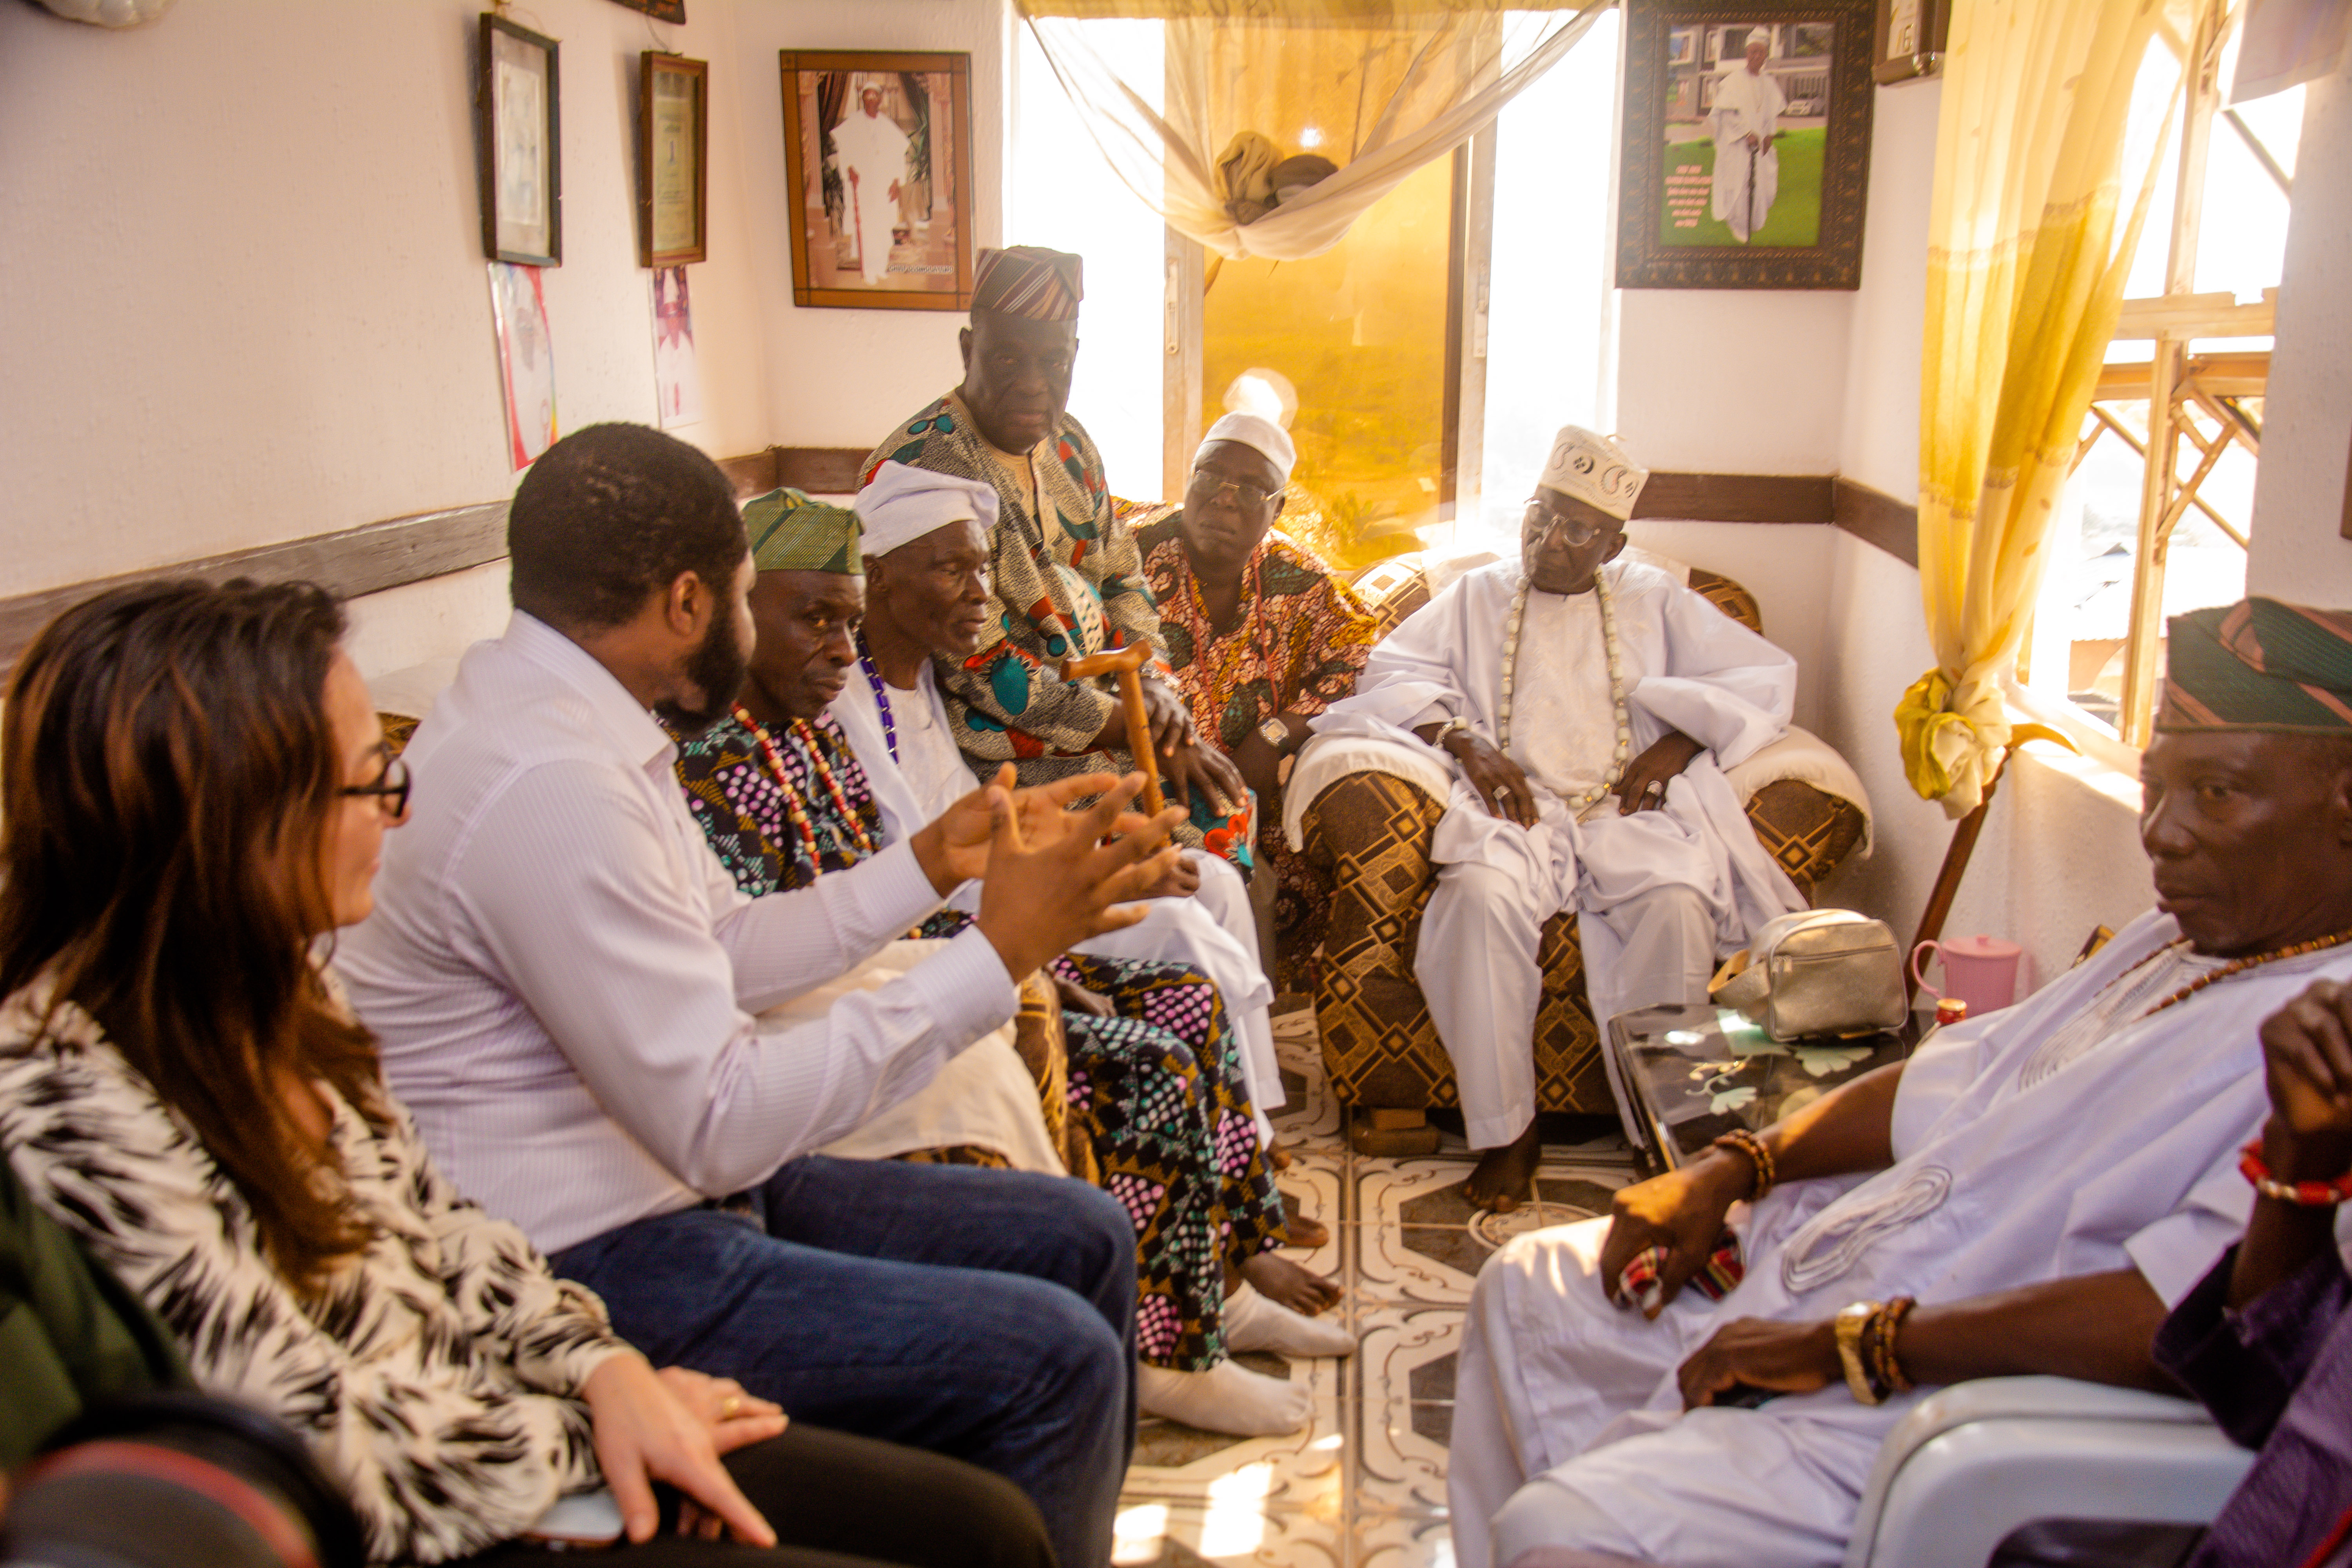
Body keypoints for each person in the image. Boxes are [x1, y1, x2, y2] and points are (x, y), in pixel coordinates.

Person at [0, 576, 1059, 1568]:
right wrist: (590, 1427)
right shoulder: (67, 1100)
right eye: (370, 778)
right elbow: (305, 1432)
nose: (397, 809)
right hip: (439, 1510)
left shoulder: (284, 995)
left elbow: (446, 1235)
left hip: (508, 1415)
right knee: (1021, 1399)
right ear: (230, 816)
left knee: (984, 1525)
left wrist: (606, 1370)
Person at [333, 422, 1183, 1568]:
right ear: (688, 602)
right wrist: (995, 954)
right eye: (743, 596)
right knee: (1057, 1358)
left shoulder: (565, 723)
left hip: (666, 1187)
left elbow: (721, 948)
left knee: (1079, 1236)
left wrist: (933, 858)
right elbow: (724, 1120)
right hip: (586, 1256)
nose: (743, 626)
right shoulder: (547, 783)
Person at [1445, 595, 2352, 1568]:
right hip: (1867, 1269)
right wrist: (1730, 1166)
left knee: (1571, 1532)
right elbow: (1945, 1078)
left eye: (2216, 793)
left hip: (1959, 1382)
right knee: (1528, 1286)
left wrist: (1852, 1345)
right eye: (2156, 787)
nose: (2162, 837)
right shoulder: (2179, 935)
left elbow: (2195, 1315)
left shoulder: (2328, 1029)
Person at [667, 483, 1352, 1436]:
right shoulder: (711, 760)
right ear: (734, 615)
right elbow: (789, 948)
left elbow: (886, 880)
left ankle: (1218, 1282)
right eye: (812, 620)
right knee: (1147, 1059)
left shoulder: (808, 730)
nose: (837, 647)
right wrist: (1007, 961)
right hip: (837, 1016)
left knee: (1185, 999)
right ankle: (1171, 1356)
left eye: (846, 624)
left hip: (910, 959)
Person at [1312, 425, 1804, 1210]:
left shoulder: (1654, 597)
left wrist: (1678, 742)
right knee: (1475, 900)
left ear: (1613, 544)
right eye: (1540, 515)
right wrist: (1464, 740)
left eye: (1577, 528)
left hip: (1625, 808)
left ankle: (1664, 1128)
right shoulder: (1478, 595)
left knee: (1678, 902)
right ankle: (1508, 1132)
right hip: (1514, 809)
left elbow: (1763, 679)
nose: (1549, 539)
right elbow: (1394, 677)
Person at [864, 245, 1255, 870]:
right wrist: (1132, 725)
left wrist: (1155, 687)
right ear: (969, 350)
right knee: (1181, 856)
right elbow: (977, 663)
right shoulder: (925, 465)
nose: (1032, 384)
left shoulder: (1072, 443)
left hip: (1116, 713)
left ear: (1075, 356)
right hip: (1004, 744)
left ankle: (1216, 965)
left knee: (1223, 807)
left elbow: (1125, 577)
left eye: (1053, 361)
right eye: (1008, 358)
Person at [1134, 413, 1380, 985]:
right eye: (1210, 477)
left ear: (1278, 509)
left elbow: (1360, 653)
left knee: (1283, 870)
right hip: (1140, 775)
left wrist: (1277, 733)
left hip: (1250, 803)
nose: (1223, 500)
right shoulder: (1130, 556)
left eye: (1247, 489)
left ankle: (1255, 1030)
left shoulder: (1297, 577)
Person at [829, 81, 908, 287]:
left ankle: (880, 267)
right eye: (867, 97)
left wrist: (897, 183)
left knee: (882, 226)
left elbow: (899, 155)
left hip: (883, 185)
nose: (871, 101)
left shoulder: (887, 124)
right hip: (863, 186)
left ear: (880, 100)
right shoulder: (853, 123)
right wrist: (849, 169)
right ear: (863, 99)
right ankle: (868, 269)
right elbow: (843, 151)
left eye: (875, 97)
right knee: (867, 227)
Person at [1709, 29, 1784, 244]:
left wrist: (1770, 134)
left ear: (1766, 56)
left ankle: (1752, 226)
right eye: (1752, 52)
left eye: (1761, 53)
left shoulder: (1769, 83)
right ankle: (1739, 227)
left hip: (1760, 147)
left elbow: (1772, 114)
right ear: (1746, 54)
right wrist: (1745, 133)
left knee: (1759, 184)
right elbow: (1726, 114)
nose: (1756, 57)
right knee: (1740, 185)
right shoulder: (1733, 82)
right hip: (1739, 146)